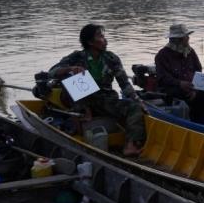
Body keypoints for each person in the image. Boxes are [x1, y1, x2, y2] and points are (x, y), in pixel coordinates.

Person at [50, 23, 145, 156]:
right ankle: (83, 116)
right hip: (82, 101)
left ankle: (130, 146)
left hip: (105, 99)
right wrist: (71, 68)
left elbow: (124, 83)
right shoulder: (77, 57)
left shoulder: (111, 58)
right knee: (71, 76)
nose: (105, 40)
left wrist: (137, 100)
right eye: (100, 36)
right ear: (90, 42)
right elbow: (52, 72)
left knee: (134, 107)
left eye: (103, 36)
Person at [154, 23, 204, 123]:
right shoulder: (162, 55)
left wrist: (195, 90)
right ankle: (193, 123)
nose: (188, 38)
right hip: (171, 89)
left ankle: (203, 123)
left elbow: (198, 71)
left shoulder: (190, 52)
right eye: (186, 36)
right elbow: (163, 78)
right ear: (178, 39)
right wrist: (180, 84)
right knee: (188, 100)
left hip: (192, 87)